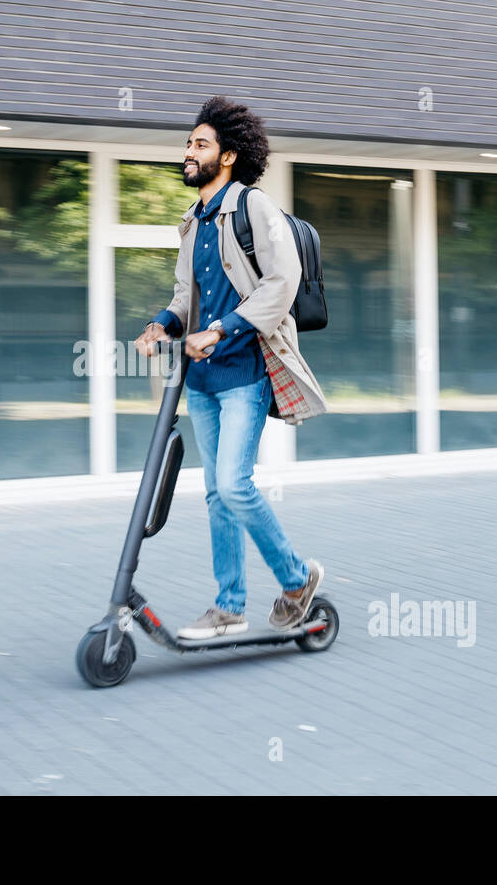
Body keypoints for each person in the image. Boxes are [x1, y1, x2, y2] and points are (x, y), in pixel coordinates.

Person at [134, 96, 329, 640]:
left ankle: (296, 579)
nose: (189, 151)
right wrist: (161, 326)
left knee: (234, 485)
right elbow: (184, 295)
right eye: (188, 143)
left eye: (200, 144)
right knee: (217, 493)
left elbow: (281, 282)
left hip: (244, 371)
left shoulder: (253, 208)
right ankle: (229, 606)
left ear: (227, 156)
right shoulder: (192, 220)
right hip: (202, 380)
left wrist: (220, 330)